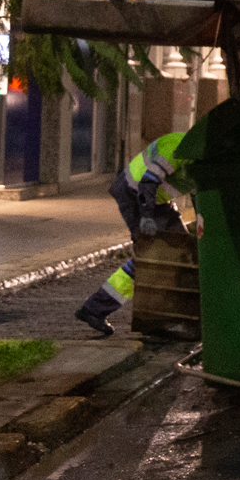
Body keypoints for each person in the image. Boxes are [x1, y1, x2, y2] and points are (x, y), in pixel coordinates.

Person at [75, 131, 197, 336]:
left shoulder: (200, 158)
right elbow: (148, 181)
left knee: (180, 253)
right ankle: (97, 309)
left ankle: (170, 318)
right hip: (135, 195)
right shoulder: (178, 147)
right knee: (151, 258)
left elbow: (198, 195)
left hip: (155, 201)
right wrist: (146, 217)